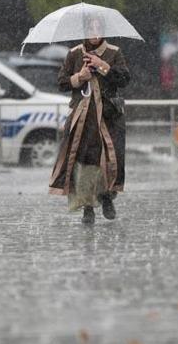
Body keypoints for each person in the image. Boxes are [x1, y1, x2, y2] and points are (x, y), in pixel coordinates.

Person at [49, 14, 131, 224]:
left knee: (110, 161)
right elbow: (62, 82)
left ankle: (106, 197)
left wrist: (102, 65)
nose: (94, 33)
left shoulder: (114, 53)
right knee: (85, 162)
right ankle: (87, 206)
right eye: (90, 28)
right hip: (84, 120)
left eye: (98, 28)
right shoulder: (75, 54)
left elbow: (124, 79)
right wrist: (80, 77)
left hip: (109, 118)